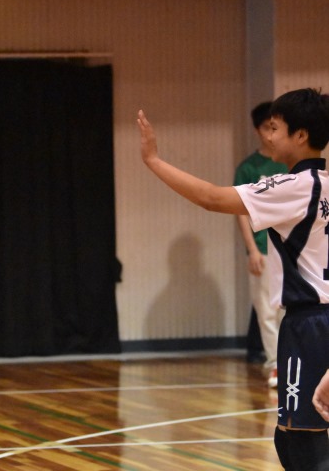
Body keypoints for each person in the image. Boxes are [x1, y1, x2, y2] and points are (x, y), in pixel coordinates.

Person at [137, 88, 329, 470]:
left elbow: (211, 198)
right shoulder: (324, 183)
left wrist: (153, 160)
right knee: (298, 439)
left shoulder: (295, 187)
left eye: (275, 128)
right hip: (318, 321)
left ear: (300, 135)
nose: (268, 136)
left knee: (302, 442)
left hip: (310, 327)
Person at [234, 101, 288, 387]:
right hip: (263, 248)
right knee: (266, 310)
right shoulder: (248, 168)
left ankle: (292, 361)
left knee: (288, 308)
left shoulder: (288, 163)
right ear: (258, 130)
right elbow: (241, 211)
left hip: (291, 248)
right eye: (267, 127)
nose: (271, 133)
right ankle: (275, 364)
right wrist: (252, 250)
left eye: (275, 127)